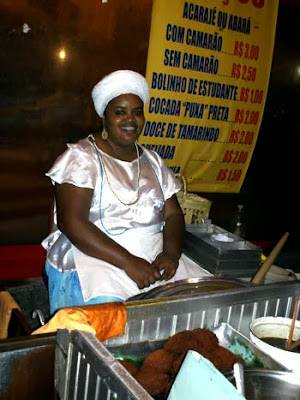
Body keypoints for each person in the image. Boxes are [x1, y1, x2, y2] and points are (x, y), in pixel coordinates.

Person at [42, 69, 211, 315]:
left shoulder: (152, 161)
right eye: (120, 112)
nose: (130, 119)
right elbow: (72, 223)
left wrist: (171, 254)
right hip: (96, 256)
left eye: (137, 112)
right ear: (104, 117)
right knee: (117, 317)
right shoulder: (81, 157)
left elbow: (173, 214)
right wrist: (129, 262)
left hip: (153, 254)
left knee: (203, 300)